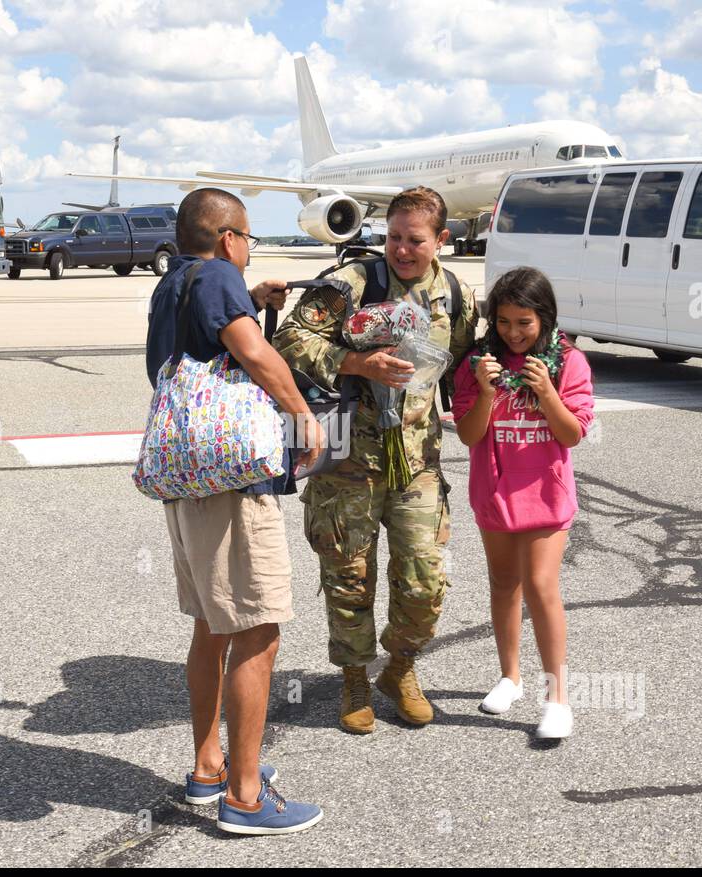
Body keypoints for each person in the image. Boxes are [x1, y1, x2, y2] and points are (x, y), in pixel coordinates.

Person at [145, 187, 325, 834]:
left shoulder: (174, 283)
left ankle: (209, 765)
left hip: (188, 477)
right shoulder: (220, 274)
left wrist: (253, 302)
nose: (248, 251)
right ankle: (246, 796)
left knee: (212, 625)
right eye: (247, 238)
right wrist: (302, 414)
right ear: (228, 239)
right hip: (231, 483)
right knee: (258, 626)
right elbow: (252, 353)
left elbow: (199, 344)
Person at [273, 186, 478, 734]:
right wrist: (356, 363)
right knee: (348, 577)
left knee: (424, 580)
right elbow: (291, 341)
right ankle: (356, 678)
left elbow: (457, 361)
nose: (402, 250)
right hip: (346, 462)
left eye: (415, 241)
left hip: (417, 461)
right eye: (393, 238)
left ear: (441, 240)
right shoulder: (352, 284)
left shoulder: (456, 294)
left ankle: (401, 668)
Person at [452, 266, 594, 738]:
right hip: (494, 492)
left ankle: (557, 698)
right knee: (503, 583)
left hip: (546, 495)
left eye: (525, 323)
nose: (513, 333)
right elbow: (470, 435)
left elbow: (571, 434)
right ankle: (509, 677)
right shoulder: (478, 363)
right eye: (505, 322)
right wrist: (487, 391)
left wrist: (547, 392)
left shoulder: (568, 361)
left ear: (545, 320)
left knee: (540, 584)